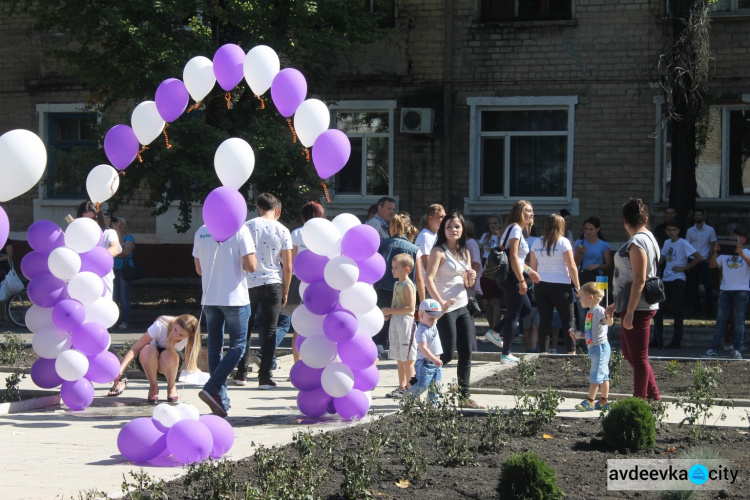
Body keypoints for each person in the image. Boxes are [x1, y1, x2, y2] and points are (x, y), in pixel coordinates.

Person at [193, 218, 257, 417]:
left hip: (210, 297)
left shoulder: (201, 231)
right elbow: (252, 266)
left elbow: (199, 269)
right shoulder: (240, 230)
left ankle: (221, 400)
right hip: (235, 298)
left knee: (214, 346)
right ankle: (212, 387)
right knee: (238, 346)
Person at [234, 193, 292, 389]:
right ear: (277, 210)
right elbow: (288, 266)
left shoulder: (246, 227)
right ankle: (264, 377)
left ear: (258, 207)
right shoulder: (283, 230)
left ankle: (241, 373)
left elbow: (238, 257)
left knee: (245, 329)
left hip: (248, 283)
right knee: (270, 330)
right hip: (273, 282)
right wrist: (285, 291)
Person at [425, 212, 482, 408]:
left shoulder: (464, 252)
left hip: (463, 306)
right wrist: (439, 302)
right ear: (443, 230)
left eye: (457, 226)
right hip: (445, 309)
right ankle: (421, 380)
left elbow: (467, 282)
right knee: (447, 353)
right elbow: (428, 279)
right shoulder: (438, 252)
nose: (453, 230)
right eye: (449, 226)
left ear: (462, 229)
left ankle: (464, 397)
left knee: (466, 353)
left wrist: (471, 277)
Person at [607, 198, 660, 401]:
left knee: (638, 358)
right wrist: (617, 304)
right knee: (631, 355)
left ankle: (639, 402)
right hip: (633, 304)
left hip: (638, 307)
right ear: (645, 218)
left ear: (624, 221)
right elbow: (631, 279)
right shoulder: (649, 237)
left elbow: (639, 279)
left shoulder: (638, 242)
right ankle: (654, 396)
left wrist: (629, 311)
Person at [108, 315, 201, 403]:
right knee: (148, 349)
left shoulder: (191, 339)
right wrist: (120, 370)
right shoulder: (161, 326)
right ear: (174, 323)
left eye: (181, 335)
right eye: (175, 329)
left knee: (168, 354)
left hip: (170, 363)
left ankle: (171, 386)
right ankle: (153, 386)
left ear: (190, 335)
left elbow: (190, 358)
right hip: (148, 360)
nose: (175, 335)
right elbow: (135, 348)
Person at [493, 201, 540, 362]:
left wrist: (530, 271)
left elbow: (518, 259)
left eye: (532, 211)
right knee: (515, 314)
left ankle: (494, 332)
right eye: (528, 210)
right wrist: (521, 279)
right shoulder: (515, 229)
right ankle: (506, 353)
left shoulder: (515, 229)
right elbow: (512, 256)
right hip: (512, 277)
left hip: (514, 274)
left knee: (525, 309)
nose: (531, 214)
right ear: (519, 212)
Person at [529, 214, 580, 355]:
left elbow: (533, 266)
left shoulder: (536, 242)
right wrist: (578, 286)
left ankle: (544, 351)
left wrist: (534, 284)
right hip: (561, 285)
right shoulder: (563, 242)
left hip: (541, 285)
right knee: (568, 321)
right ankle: (571, 352)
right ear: (561, 226)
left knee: (544, 321)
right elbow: (572, 266)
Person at [373, 214, 419, 355]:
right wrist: (422, 300)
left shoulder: (381, 244)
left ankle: (375, 359)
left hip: (383, 291)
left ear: (391, 227)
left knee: (380, 333)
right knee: (404, 333)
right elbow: (419, 278)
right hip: (406, 293)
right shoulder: (414, 249)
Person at [653, 220, 703, 349]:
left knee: (677, 310)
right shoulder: (666, 242)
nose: (671, 232)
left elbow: (699, 257)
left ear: (678, 231)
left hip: (678, 278)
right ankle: (658, 339)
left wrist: (684, 268)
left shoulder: (683, 243)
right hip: (666, 278)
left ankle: (676, 341)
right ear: (666, 231)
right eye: (669, 230)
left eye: (674, 230)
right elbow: (662, 258)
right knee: (658, 309)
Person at [705, 226, 750, 360]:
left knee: (739, 321)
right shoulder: (725, 254)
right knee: (721, 320)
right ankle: (714, 348)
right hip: (725, 289)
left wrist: (741, 254)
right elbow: (712, 265)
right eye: (732, 238)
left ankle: (737, 348)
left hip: (741, 290)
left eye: (737, 237)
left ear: (743, 239)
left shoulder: (747, 251)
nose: (734, 240)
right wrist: (715, 252)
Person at [290, 201, 326, 362]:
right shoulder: (326, 233)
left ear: (303, 216)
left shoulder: (297, 233)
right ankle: (318, 360)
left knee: (299, 325)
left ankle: (297, 362)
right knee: (320, 324)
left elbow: (291, 262)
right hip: (321, 283)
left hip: (298, 282)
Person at [569, 283, 614, 411]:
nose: (579, 299)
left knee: (595, 376)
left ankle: (590, 401)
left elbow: (608, 322)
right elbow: (591, 333)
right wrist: (579, 335)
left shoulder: (598, 311)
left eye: (581, 296)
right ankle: (603, 401)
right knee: (604, 375)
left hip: (600, 348)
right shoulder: (591, 312)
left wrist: (609, 316)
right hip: (596, 347)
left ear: (591, 297)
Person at [381, 253, 417, 398]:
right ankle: (402, 387)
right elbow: (397, 304)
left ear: (407, 269)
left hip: (406, 322)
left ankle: (412, 389)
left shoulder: (408, 285)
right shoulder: (396, 284)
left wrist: (390, 310)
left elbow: (410, 308)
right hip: (396, 321)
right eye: (392, 267)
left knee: (407, 357)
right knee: (399, 356)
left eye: (396, 267)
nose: (393, 270)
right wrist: (390, 313)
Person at [76, 201, 121, 298]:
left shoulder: (108, 233)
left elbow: (115, 248)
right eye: (85, 220)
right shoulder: (76, 236)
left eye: (93, 219)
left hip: (103, 281)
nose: (90, 223)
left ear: (98, 218)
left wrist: (98, 258)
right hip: (81, 282)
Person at [405, 299, 445, 405]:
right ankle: (409, 397)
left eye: (436, 318)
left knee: (436, 385)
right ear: (421, 315)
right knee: (423, 385)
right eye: (432, 318)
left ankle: (433, 405)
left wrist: (448, 305)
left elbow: (440, 314)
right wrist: (434, 359)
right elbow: (423, 348)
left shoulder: (433, 323)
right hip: (425, 363)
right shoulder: (421, 330)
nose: (434, 320)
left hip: (436, 362)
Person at [686, 209, 716, 316]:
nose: (697, 217)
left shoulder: (710, 230)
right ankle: (696, 308)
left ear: (703, 216)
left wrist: (709, 257)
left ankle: (709, 309)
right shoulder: (690, 230)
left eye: (699, 215)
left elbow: (713, 244)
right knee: (693, 285)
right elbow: (687, 245)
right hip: (693, 260)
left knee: (708, 284)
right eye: (696, 215)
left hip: (704, 260)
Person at [478, 215, 503, 348]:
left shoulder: (502, 237)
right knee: (486, 302)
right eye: (490, 223)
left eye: (495, 223)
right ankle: (491, 329)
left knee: (495, 301)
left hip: (497, 269)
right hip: (485, 269)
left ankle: (496, 331)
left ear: (500, 224)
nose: (492, 226)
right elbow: (482, 253)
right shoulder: (485, 237)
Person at [415, 204, 446, 302]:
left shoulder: (437, 235)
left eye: (445, 216)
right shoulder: (425, 236)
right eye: (441, 217)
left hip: (437, 284)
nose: (444, 220)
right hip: (428, 286)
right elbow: (427, 265)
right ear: (430, 218)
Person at [111, 217, 135, 330]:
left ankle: (124, 321)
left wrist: (113, 252)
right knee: (113, 297)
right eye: (117, 225)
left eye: (122, 225)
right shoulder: (111, 238)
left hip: (124, 270)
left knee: (124, 296)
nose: (119, 227)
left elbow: (125, 251)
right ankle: (113, 321)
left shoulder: (129, 237)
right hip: (112, 269)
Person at [0, 239, 14, 327]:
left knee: (1, 299)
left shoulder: (6, 241)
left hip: (4, 273)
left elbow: (10, 255)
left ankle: (0, 319)